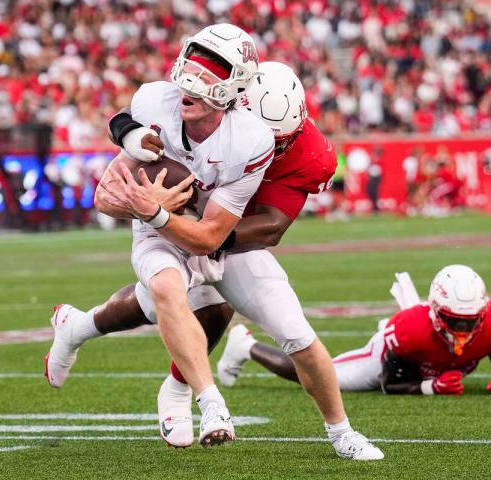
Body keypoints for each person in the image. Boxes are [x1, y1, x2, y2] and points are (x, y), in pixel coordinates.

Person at [46, 61, 384, 460]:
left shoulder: (301, 151)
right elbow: (115, 161)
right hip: (169, 226)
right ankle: (182, 391)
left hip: (224, 232)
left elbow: (271, 228)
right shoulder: (190, 112)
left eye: (280, 140)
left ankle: (341, 431)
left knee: (294, 331)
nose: (269, 146)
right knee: (167, 296)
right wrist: (147, 196)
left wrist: (210, 237)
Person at [47, 23, 273, 448]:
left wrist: (159, 211)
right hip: (154, 228)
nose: (193, 76)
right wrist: (145, 205)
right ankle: (211, 405)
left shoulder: (250, 138)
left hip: (207, 229)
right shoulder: (154, 101)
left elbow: (210, 237)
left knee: (211, 309)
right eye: (194, 60)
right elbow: (104, 198)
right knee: (167, 290)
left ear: (234, 83)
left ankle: (77, 328)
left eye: (210, 70)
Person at [219, 265, 491, 396]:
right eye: (454, 319)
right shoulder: (410, 331)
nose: (463, 328)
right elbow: (389, 385)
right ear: (435, 310)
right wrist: (431, 387)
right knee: (323, 376)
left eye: (470, 321)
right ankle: (245, 345)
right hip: (385, 358)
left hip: (429, 360)